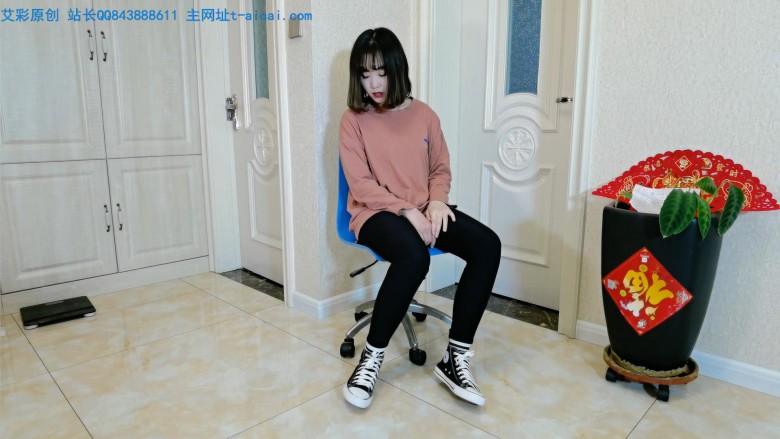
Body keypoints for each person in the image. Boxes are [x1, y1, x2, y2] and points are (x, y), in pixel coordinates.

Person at [339, 27, 502, 409]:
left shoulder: (425, 115)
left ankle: (455, 358)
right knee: (413, 256)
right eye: (364, 74)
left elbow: (439, 170)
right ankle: (371, 359)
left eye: (381, 72)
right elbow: (360, 184)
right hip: (375, 213)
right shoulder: (353, 119)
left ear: (397, 68)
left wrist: (438, 202)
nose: (373, 84)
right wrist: (409, 210)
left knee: (487, 246)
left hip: (426, 209)